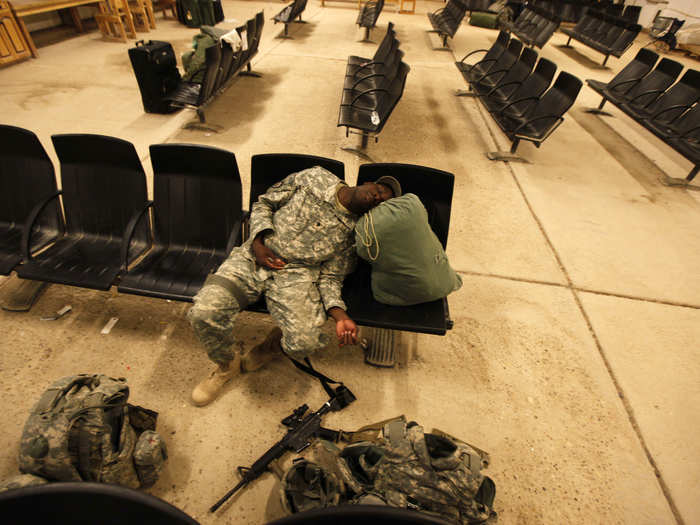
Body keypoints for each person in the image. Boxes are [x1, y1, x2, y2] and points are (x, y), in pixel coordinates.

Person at [187, 165, 402, 406]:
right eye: (381, 189)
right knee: (205, 313)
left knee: (303, 343)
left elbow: (331, 278)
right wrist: (257, 242)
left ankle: (269, 347)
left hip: (296, 276)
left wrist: (339, 315)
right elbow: (264, 203)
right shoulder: (314, 177)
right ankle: (227, 365)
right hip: (253, 257)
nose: (378, 196)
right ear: (369, 182)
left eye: (383, 201)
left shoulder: (355, 234)